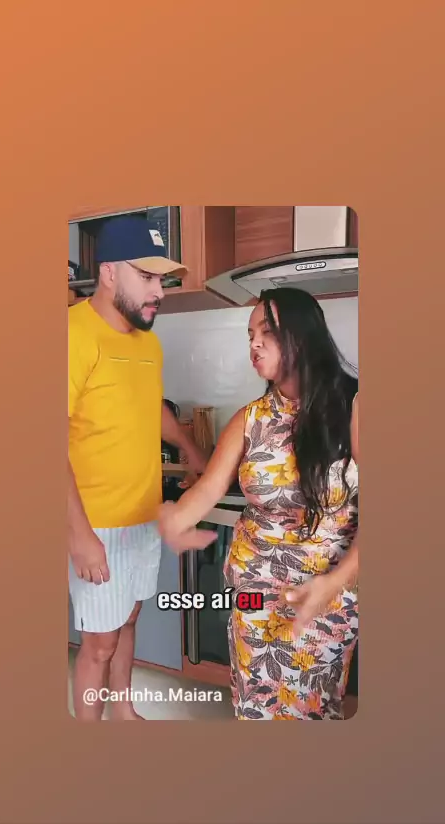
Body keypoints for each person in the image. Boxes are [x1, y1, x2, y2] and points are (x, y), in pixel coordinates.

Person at [158, 288, 359, 720]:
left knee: (313, 713)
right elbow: (209, 488)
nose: (254, 343)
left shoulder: (354, 408)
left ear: (303, 336)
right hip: (253, 595)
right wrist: (175, 518)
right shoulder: (250, 418)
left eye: (267, 332)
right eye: (250, 334)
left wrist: (333, 583)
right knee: (256, 707)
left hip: (325, 594)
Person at [68, 213, 207, 721]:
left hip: (143, 516)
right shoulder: (71, 335)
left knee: (128, 622)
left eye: (162, 279)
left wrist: (191, 449)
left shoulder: (148, 341)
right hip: (97, 522)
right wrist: (80, 535)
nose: (159, 292)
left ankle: (123, 713)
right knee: (99, 644)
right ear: (109, 273)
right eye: (147, 276)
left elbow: (152, 409)